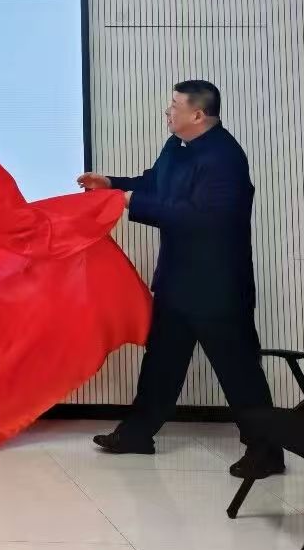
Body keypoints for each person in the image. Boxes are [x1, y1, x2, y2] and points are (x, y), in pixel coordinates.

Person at [78, 80, 284, 479]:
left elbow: (201, 218)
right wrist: (114, 184)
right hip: (176, 280)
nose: (167, 111)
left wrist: (132, 202)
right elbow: (155, 182)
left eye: (174, 105)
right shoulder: (177, 146)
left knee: (238, 370)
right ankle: (137, 434)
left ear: (198, 114)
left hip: (217, 288)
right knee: (162, 362)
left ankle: (267, 450)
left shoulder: (225, 158)